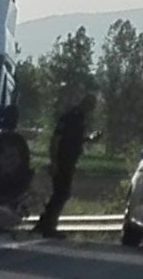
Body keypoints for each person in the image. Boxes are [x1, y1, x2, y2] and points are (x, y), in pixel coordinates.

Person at [33, 93, 97, 237]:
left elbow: (77, 139)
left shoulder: (81, 119)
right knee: (61, 192)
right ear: (85, 103)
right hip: (62, 160)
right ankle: (47, 225)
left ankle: (45, 224)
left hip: (70, 160)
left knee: (61, 193)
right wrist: (54, 161)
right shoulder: (70, 117)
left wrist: (90, 139)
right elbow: (56, 139)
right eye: (91, 105)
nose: (92, 109)